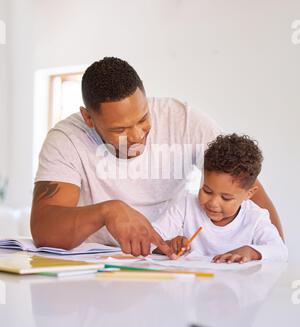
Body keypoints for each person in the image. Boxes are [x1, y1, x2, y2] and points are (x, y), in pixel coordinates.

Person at [30, 57, 284, 258]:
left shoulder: (184, 122)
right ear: (88, 118)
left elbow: (249, 193)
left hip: (167, 261)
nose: (137, 136)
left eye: (143, 119)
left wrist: (268, 268)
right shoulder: (67, 139)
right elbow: (44, 231)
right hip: (100, 263)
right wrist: (108, 211)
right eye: (119, 129)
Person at [153, 134, 288, 263]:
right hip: (195, 284)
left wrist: (251, 251)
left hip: (237, 285)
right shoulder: (186, 206)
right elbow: (149, 240)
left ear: (249, 193)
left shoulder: (255, 217)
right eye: (207, 190)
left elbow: (280, 251)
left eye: (226, 198)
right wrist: (167, 245)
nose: (213, 203)